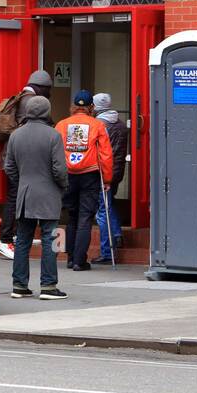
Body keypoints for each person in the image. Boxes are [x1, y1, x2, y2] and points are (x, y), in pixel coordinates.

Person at [3, 96, 69, 301]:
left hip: (25, 193)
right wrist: (63, 186)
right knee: (51, 239)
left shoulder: (15, 135)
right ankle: (49, 285)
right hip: (48, 194)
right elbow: (59, 169)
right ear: (47, 112)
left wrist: (23, 182)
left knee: (23, 240)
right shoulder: (53, 135)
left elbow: (9, 168)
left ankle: (19, 285)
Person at [0, 69, 54, 259]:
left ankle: (11, 236)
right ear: (41, 87)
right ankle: (5, 239)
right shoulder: (30, 101)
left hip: (12, 157)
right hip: (20, 158)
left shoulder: (21, 97)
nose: (49, 94)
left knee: (15, 196)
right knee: (14, 197)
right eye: (48, 89)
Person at [56, 90, 113, 272]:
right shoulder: (97, 125)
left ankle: (71, 258)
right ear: (91, 107)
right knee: (85, 217)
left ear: (74, 106)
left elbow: (55, 151)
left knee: (71, 216)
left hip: (67, 174)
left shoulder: (62, 125)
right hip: (90, 174)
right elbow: (105, 154)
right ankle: (80, 260)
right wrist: (107, 178)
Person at [91, 92, 126, 266]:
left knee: (102, 211)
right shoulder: (119, 124)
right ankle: (117, 234)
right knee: (108, 203)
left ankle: (106, 251)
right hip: (117, 171)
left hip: (103, 171)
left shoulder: (99, 125)